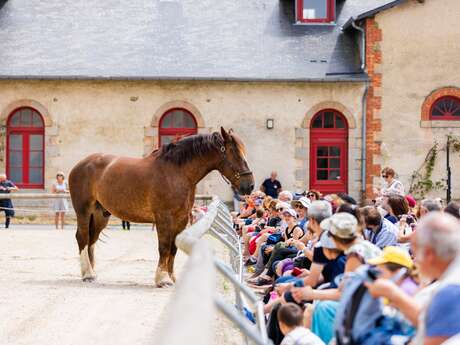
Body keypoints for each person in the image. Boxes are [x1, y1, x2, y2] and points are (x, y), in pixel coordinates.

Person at [365, 212, 460, 345]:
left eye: (414, 254)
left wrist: (393, 294)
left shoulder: (450, 291)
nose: (414, 261)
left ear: (428, 254)